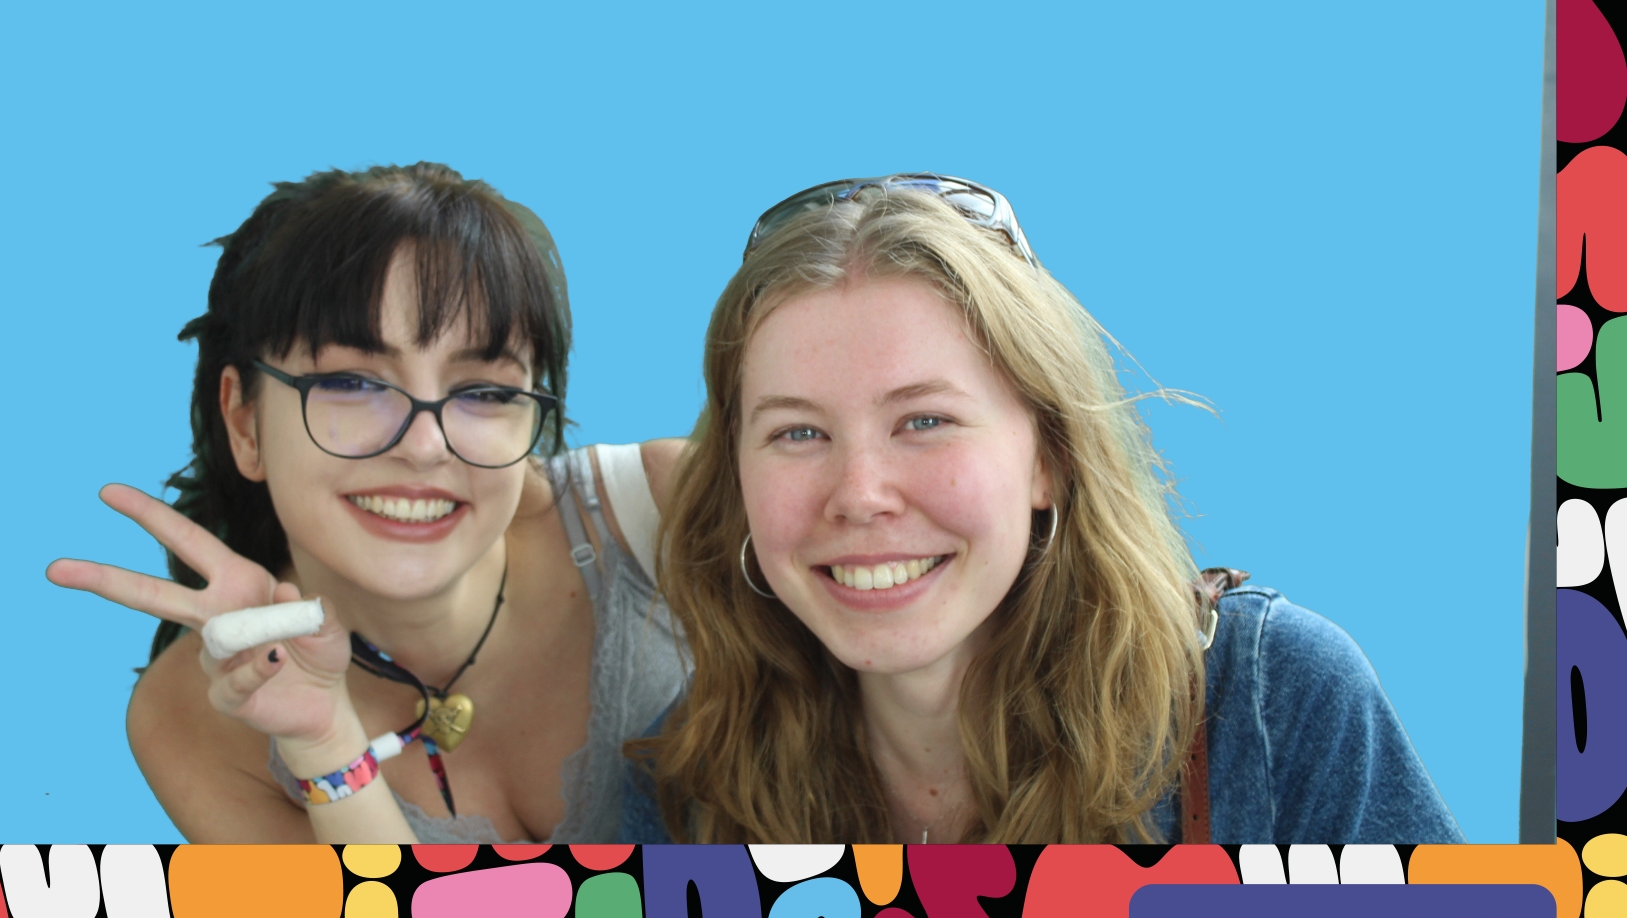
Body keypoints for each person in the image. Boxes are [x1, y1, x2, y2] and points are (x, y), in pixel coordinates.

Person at [625, 174, 1463, 845]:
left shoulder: (1274, 702)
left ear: (1050, 458)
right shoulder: (688, 781)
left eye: (925, 421)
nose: (860, 494)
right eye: (798, 432)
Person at [48, 163, 687, 843]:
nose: (424, 445)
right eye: (352, 382)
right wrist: (323, 744)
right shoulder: (193, 720)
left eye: (485, 391)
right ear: (244, 422)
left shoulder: (667, 513)